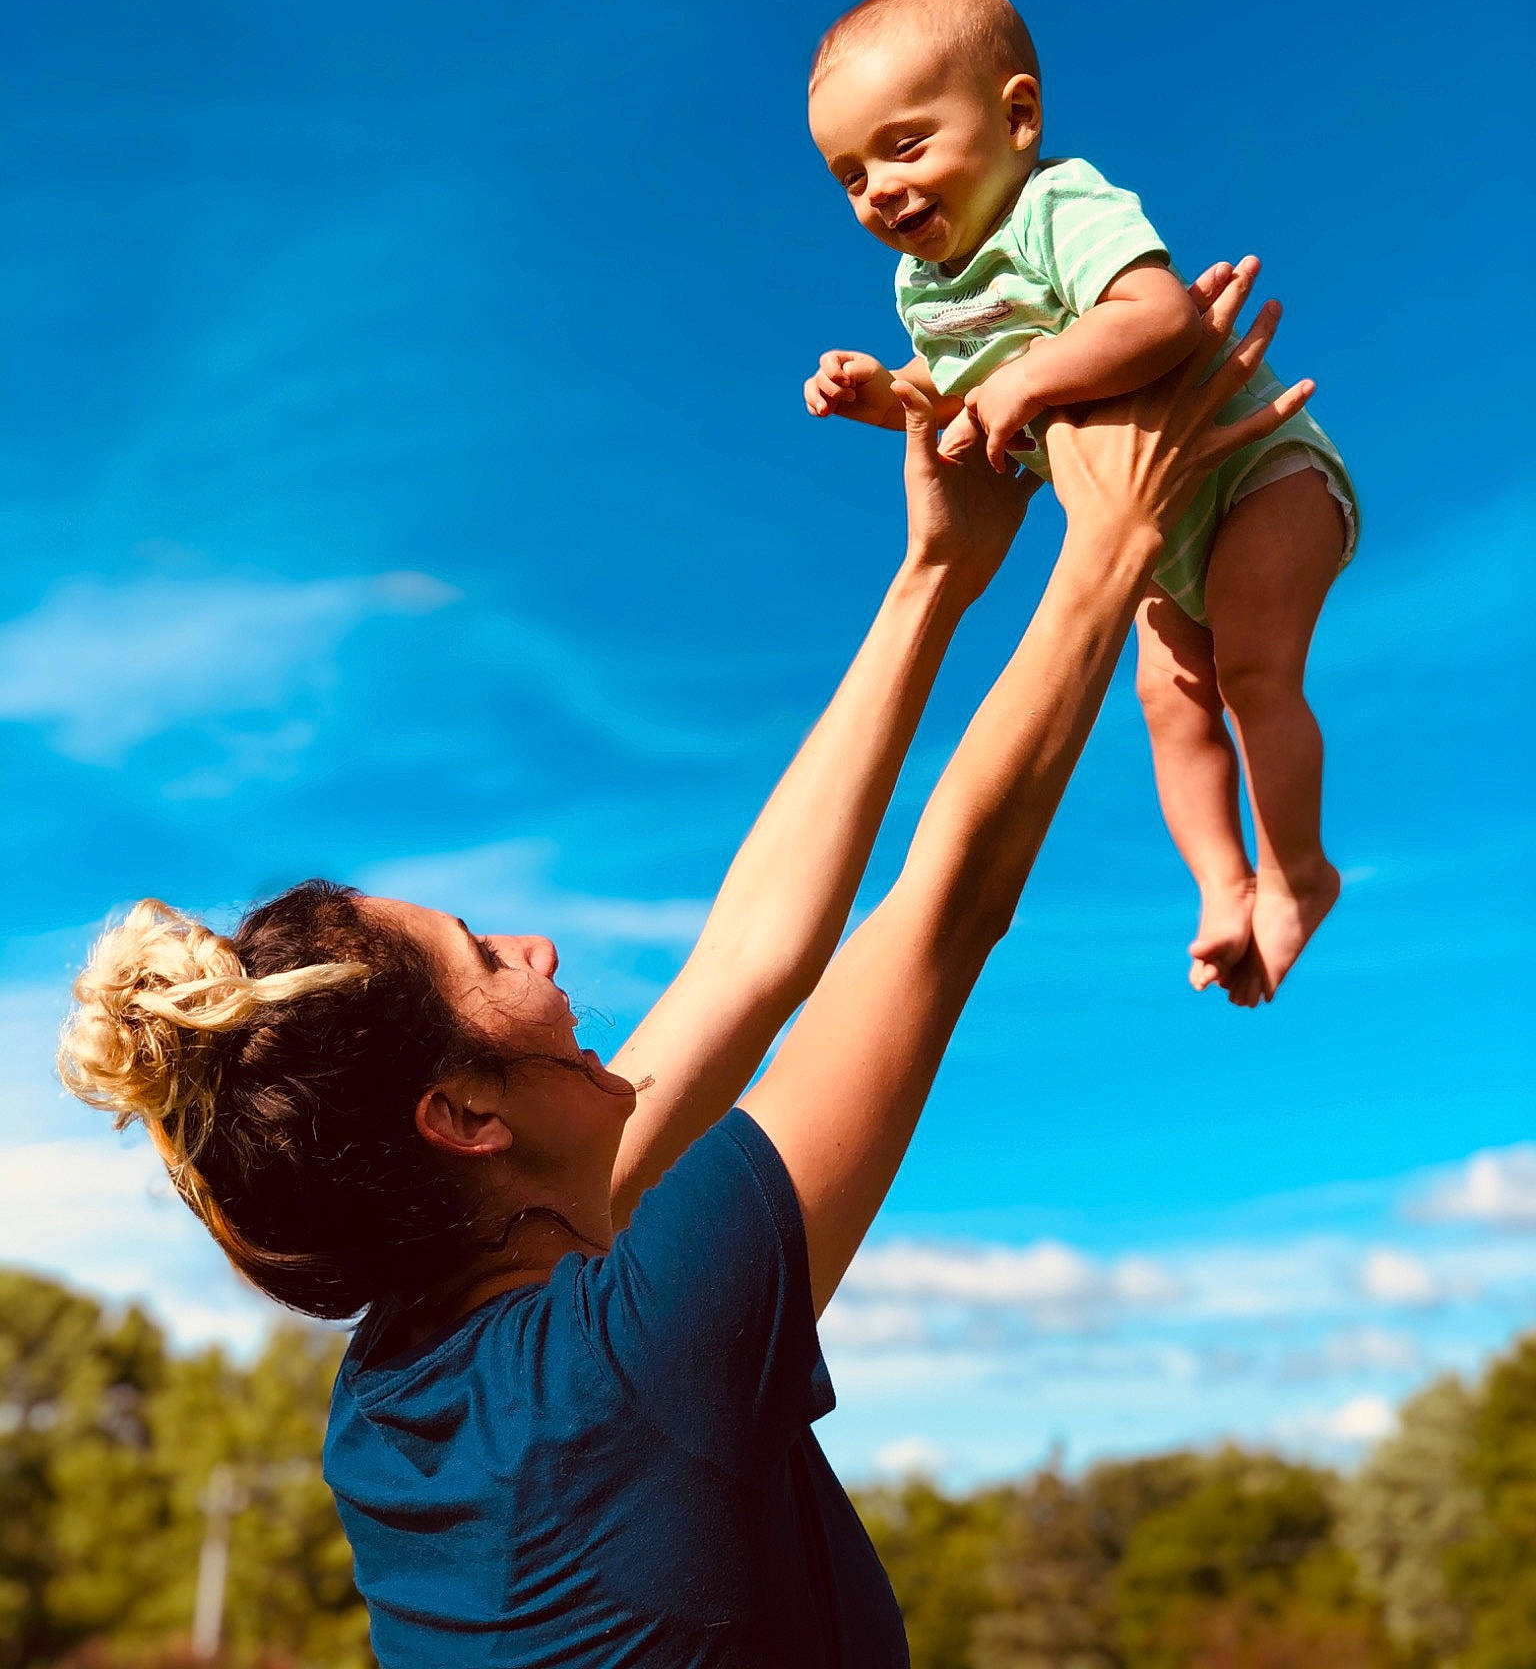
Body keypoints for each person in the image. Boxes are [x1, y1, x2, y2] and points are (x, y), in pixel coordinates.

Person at [59, 267, 1307, 1667]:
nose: (536, 945)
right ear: (462, 1116)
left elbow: (753, 956)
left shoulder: (410, 1378)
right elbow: (943, 907)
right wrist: (1113, 536)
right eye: (483, 957)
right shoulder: (633, 1366)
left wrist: (938, 577)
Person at [803, 0, 1359, 1008]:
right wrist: (885, 393)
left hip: (1256, 474)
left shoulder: (1058, 205)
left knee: (1250, 668)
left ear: (1018, 117)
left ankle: (1298, 872)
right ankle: (1222, 881)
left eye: (905, 146)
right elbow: (954, 390)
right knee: (1167, 702)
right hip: (1149, 528)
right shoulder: (925, 289)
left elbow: (1157, 314)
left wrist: (1029, 380)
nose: (878, 188)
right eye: (849, 175)